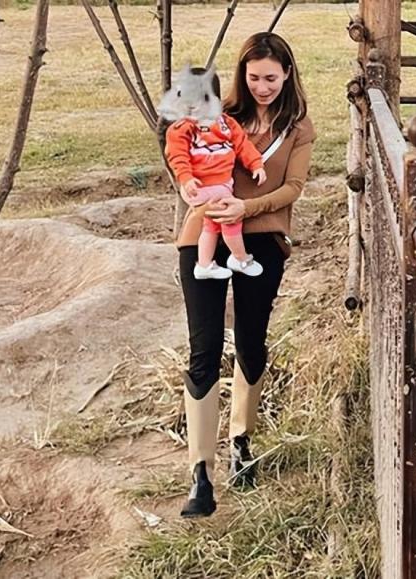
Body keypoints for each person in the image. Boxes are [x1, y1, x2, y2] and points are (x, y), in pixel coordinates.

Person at [175, 32, 315, 518]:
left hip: (261, 239)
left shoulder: (297, 126)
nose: (261, 86)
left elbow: (294, 187)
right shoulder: (218, 113)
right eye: (253, 77)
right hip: (203, 235)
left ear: (287, 74)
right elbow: (180, 151)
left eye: (270, 78)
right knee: (204, 346)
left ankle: (241, 440)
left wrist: (247, 205)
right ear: (242, 74)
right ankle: (200, 473)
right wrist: (190, 183)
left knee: (250, 340)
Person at [161, 66, 268, 280]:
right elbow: (177, 155)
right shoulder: (183, 128)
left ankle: (205, 264)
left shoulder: (226, 124)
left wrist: (256, 164)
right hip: (200, 186)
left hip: (221, 184)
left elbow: (242, 145)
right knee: (230, 217)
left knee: (212, 225)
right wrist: (186, 178)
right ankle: (240, 257)